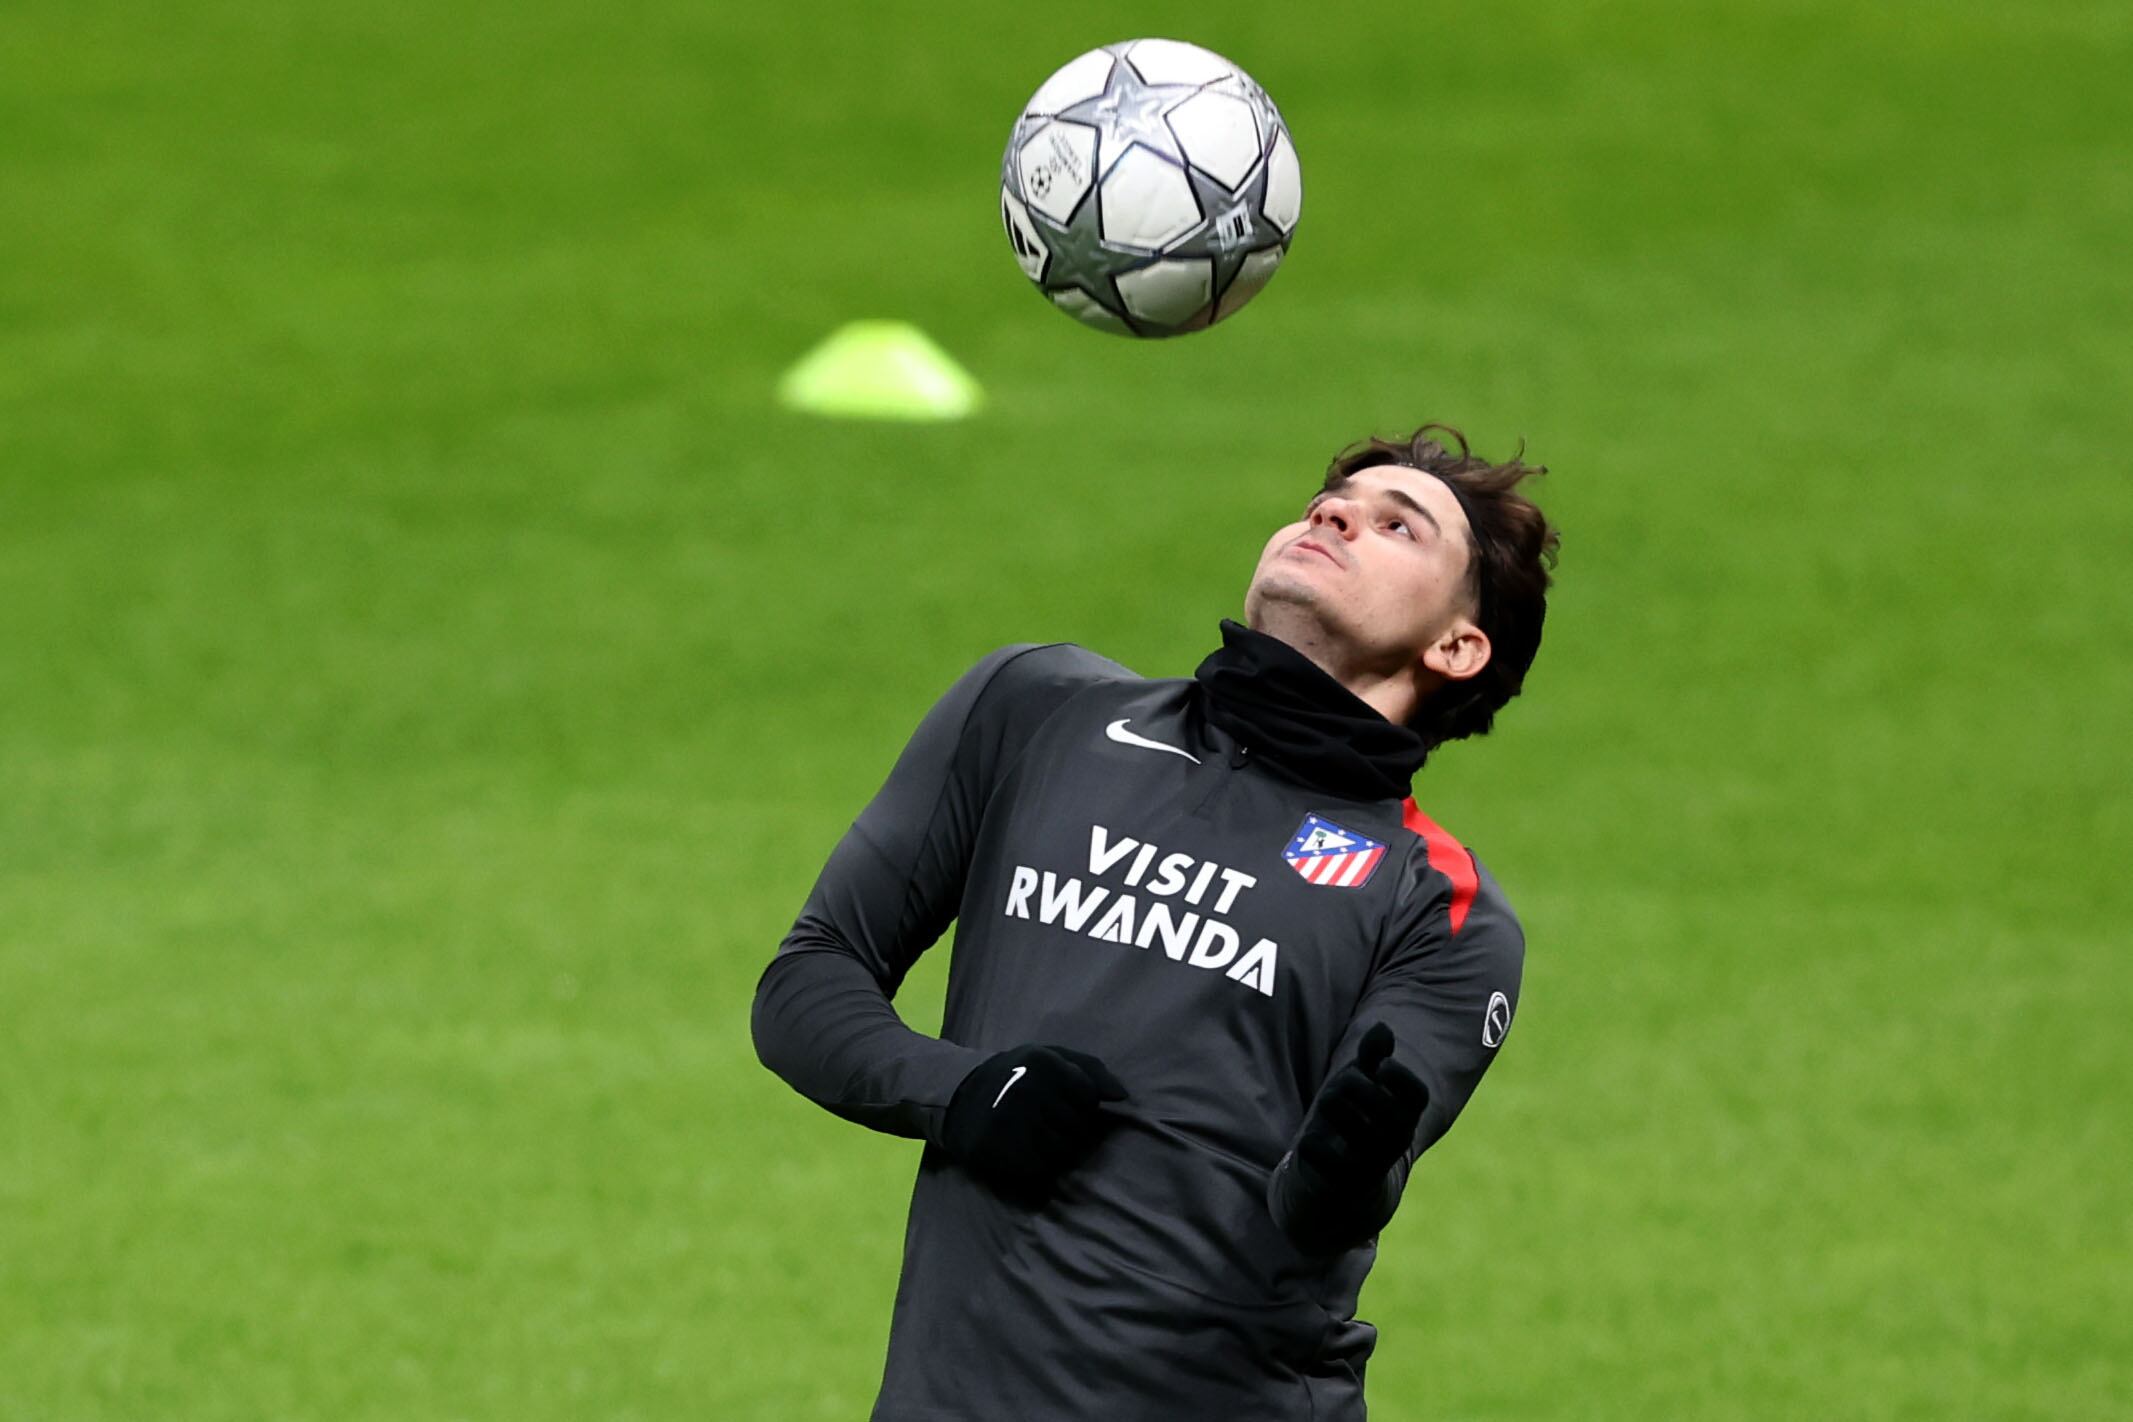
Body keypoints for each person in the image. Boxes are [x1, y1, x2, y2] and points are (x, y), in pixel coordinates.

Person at [752, 424, 1560, 1420]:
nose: (1336, 514)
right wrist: (961, 1090)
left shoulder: (1440, 904)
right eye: (1331, 502)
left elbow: (1323, 1211)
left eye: (1399, 526)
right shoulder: (1039, 713)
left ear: (1456, 645)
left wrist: (1342, 1163)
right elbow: (806, 984)